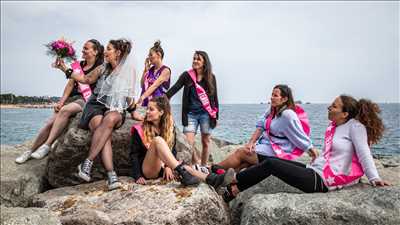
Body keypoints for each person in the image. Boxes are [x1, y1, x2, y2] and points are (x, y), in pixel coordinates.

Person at [221, 95, 390, 202]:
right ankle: (234, 189)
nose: (329, 108)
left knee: (271, 166)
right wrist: (317, 158)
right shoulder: (334, 127)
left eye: (334, 106)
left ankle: (232, 181)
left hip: (323, 181)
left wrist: (374, 178)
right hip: (315, 170)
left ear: (345, 113)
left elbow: (364, 154)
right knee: (271, 160)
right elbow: (330, 154)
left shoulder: (355, 127)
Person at [54, 38, 137, 190]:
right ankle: (111, 176)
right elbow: (85, 79)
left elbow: (130, 98)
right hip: (95, 106)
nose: (106, 51)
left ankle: (88, 161)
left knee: (110, 119)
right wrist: (65, 69)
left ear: (118, 53)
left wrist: (134, 110)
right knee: (102, 128)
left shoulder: (129, 71)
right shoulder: (102, 68)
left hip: (115, 108)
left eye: (109, 49)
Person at [16, 39, 104, 164]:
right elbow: (69, 85)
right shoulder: (79, 65)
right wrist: (61, 101)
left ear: (95, 51)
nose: (83, 50)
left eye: (86, 48)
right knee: (50, 123)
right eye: (83, 47)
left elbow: (89, 82)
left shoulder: (100, 67)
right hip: (72, 99)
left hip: (85, 100)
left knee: (66, 110)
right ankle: (30, 151)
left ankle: (47, 146)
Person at [129, 96, 234, 191]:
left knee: (186, 167)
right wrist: (138, 176)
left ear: (161, 112)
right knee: (158, 140)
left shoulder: (169, 129)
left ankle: (213, 179)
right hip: (148, 169)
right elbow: (134, 155)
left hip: (162, 168)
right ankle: (182, 172)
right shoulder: (140, 129)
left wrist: (168, 167)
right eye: (147, 108)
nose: (147, 111)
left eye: (151, 109)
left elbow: (172, 150)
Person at [211, 84, 318, 173]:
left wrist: (311, 150)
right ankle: (224, 177)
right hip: (266, 147)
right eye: (272, 95)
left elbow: (298, 134)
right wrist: (251, 142)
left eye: (275, 95)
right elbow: (261, 125)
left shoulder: (288, 115)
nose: (272, 97)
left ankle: (212, 169)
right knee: (245, 161)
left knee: (241, 152)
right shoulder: (272, 109)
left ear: (284, 99)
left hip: (278, 153)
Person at [166, 51, 219, 171]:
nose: (195, 61)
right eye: (194, 59)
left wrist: (216, 116)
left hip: (206, 114)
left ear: (204, 62)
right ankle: (195, 161)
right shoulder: (187, 75)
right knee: (188, 142)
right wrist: (163, 98)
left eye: (198, 59)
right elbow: (175, 88)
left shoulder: (211, 77)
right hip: (191, 114)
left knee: (205, 141)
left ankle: (204, 166)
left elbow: (215, 98)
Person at [137, 40, 171, 107]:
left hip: (157, 105)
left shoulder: (165, 70)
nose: (149, 57)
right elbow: (142, 85)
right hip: (145, 103)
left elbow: (155, 85)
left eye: (151, 55)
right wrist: (146, 69)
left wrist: (142, 98)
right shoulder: (150, 70)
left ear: (159, 55)